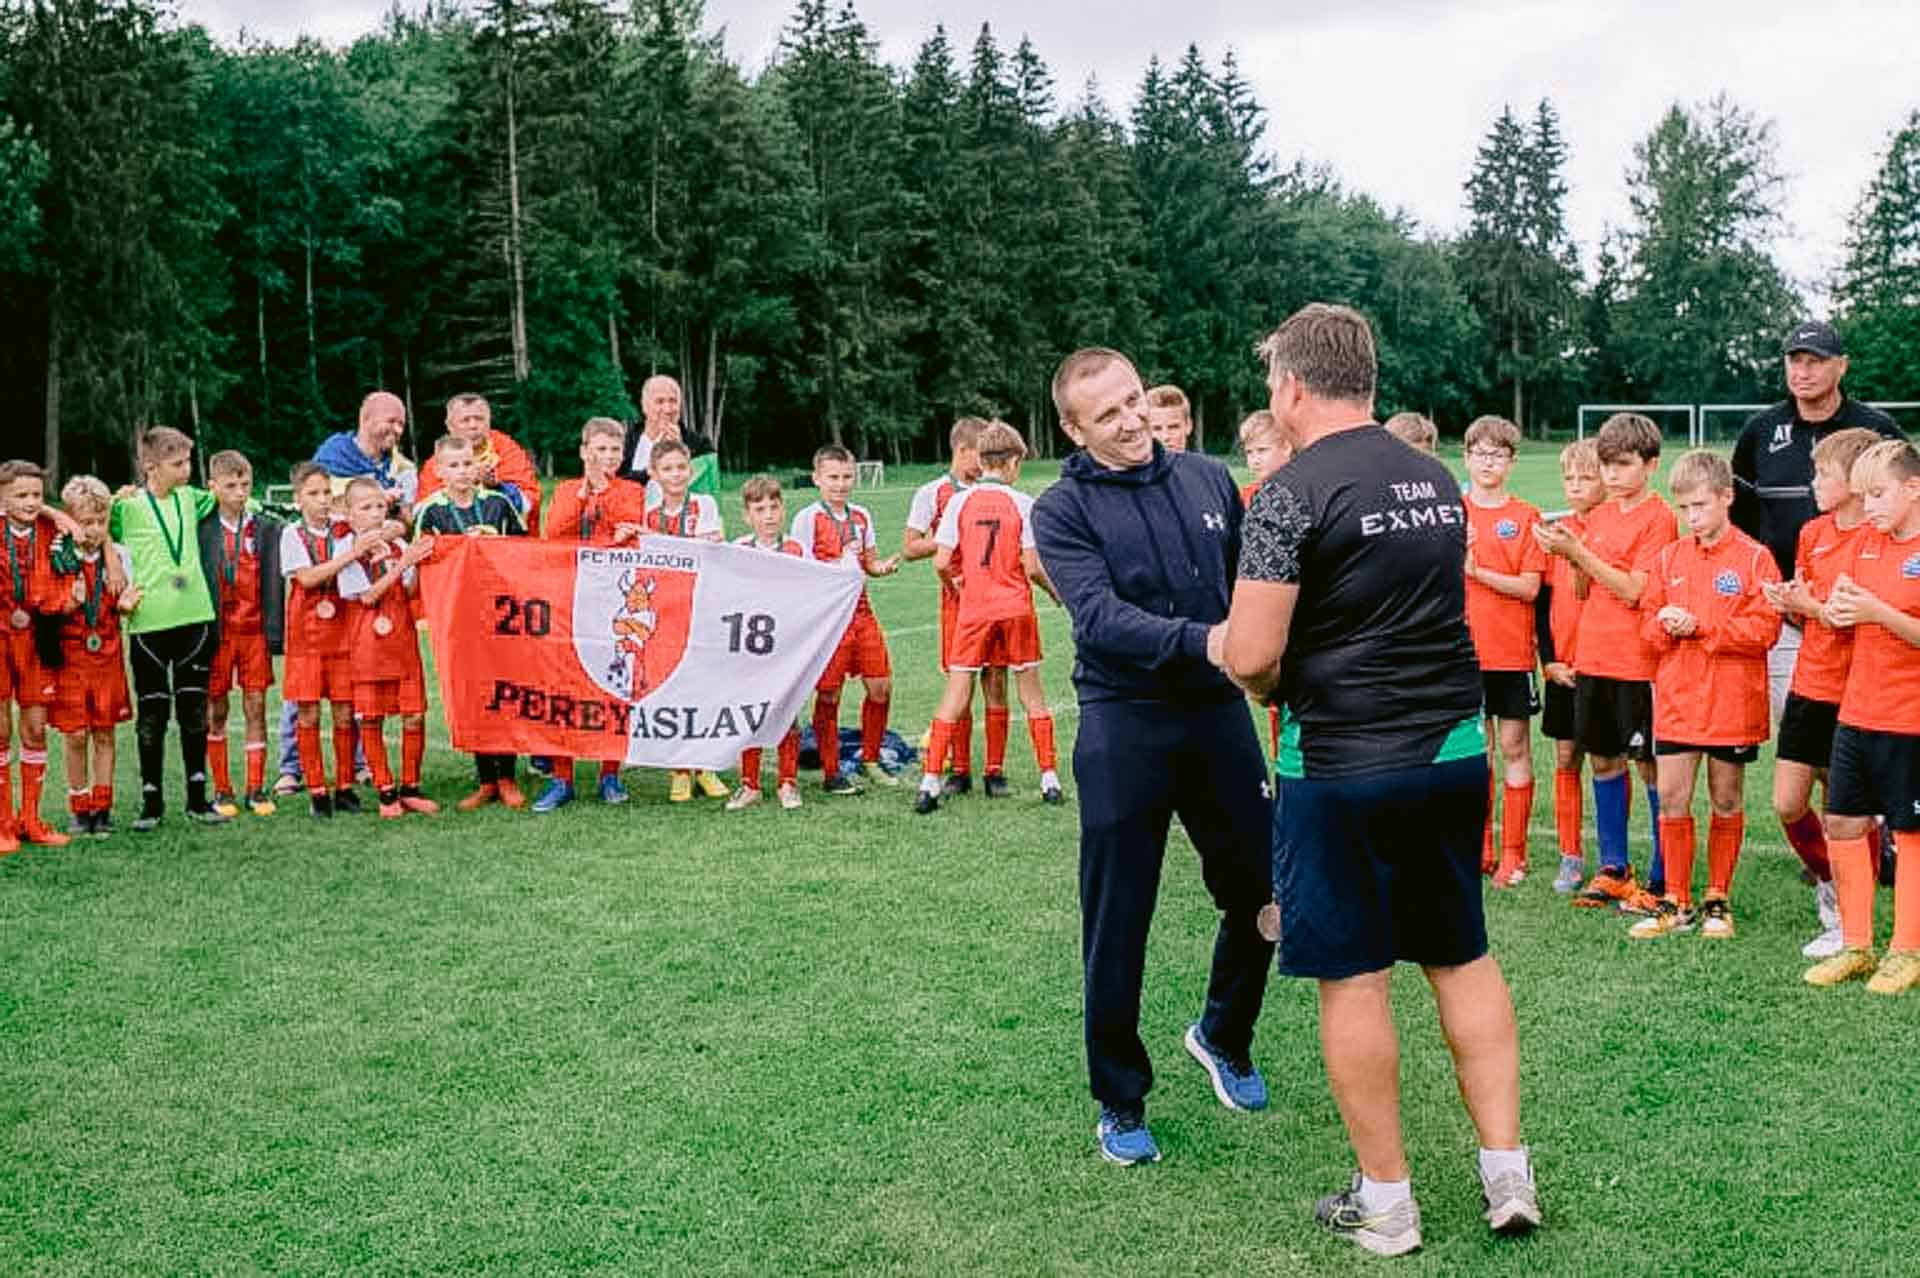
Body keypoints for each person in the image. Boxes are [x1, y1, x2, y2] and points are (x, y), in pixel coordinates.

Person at [1222, 304, 1535, 1256]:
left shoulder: (1286, 492)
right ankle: (1506, 1173)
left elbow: (1250, 654)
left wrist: (1251, 663)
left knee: (1353, 978)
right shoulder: (1435, 478)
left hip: (1340, 769)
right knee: (1460, 955)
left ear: (1292, 387)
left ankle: (1388, 1201)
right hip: (1450, 756)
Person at [1033, 347, 1272, 1169]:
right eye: (1108, 414)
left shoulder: (1208, 479)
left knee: (1267, 897)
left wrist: (1270, 660)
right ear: (1073, 428)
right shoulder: (1060, 510)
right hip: (1123, 721)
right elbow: (1097, 618)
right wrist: (1208, 642)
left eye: (1134, 400)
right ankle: (1120, 1097)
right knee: (1118, 921)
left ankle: (1222, 1035)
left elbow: (1252, 587)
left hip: (1217, 716)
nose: (1131, 421)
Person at [1627, 451, 1781, 939]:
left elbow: (1766, 628)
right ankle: (1676, 899)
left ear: (1726, 497)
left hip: (1731, 702)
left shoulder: (1756, 558)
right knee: (1672, 797)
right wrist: (1663, 627)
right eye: (1684, 508)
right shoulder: (1668, 558)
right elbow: (1645, 626)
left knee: (1726, 797)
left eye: (1700, 505)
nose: (1691, 517)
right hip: (1677, 700)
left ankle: (1717, 896)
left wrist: (1703, 626)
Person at [1536, 413, 1677, 911]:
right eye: (1606, 465)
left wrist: (1579, 553)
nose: (1612, 475)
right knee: (1601, 759)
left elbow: (1635, 590)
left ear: (1651, 465)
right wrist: (1569, 554)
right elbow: (1582, 588)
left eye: (1623, 464)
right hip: (1593, 656)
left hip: (1635, 661)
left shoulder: (1658, 517)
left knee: (1649, 764)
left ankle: (1664, 873)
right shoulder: (1596, 517)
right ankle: (1615, 867)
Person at [1731, 320, 1902, 723]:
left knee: (1854, 738)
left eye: (1815, 361)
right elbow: (1738, 516)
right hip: (1786, 613)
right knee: (1802, 737)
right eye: (1795, 361)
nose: (1802, 372)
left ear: (1841, 366)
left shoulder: (1876, 429)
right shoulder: (1761, 430)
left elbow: (1906, 510)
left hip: (1859, 616)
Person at [1802, 439, 1920, 993]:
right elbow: (1839, 610)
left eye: (1878, 493)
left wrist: (1877, 612)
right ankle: (1857, 944)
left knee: (1910, 832)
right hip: (1858, 710)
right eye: (1863, 493)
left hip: (1910, 718)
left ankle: (1907, 951)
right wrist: (1830, 608)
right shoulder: (1866, 544)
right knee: (1843, 822)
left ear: (1913, 488)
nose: (1867, 505)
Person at [1761, 427, 1884, 958]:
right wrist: (1789, 599)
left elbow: (1863, 620)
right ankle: (1833, 879)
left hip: (1856, 685)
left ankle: (1849, 917)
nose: (1812, 483)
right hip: (1811, 680)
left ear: (1856, 483)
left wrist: (1812, 608)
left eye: (1822, 475)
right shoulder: (1812, 532)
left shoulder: (1879, 538)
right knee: (1788, 803)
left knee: (1846, 807)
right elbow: (1808, 602)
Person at [916, 421, 1063, 813]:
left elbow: (942, 560)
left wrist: (959, 585)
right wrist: (1054, 592)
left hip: (974, 611)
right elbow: (1032, 566)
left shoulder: (959, 503)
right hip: (1015, 607)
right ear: (1013, 462)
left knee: (956, 691)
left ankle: (929, 783)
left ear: (980, 461)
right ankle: (1050, 779)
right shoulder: (1023, 503)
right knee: (1030, 692)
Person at [276, 391, 417, 797]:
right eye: (389, 421)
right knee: (303, 691)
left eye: (401, 424)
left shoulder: (402, 468)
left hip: (354, 596)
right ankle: (292, 767)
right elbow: (330, 510)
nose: (395, 429)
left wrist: (392, 525)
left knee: (349, 687)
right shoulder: (334, 455)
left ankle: (354, 767)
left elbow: (406, 520)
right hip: (326, 581)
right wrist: (364, 523)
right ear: (365, 417)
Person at [111, 427, 228, 831]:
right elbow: (95, 533)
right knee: (153, 713)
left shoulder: (192, 498)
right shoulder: (125, 509)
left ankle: (198, 800)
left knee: (195, 711)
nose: (186, 470)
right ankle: (151, 803)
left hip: (196, 617)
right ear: (150, 467)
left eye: (188, 462)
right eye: (177, 464)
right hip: (149, 622)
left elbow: (228, 493)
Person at [536, 417, 649, 812]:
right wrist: (586, 494)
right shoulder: (567, 490)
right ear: (584, 452)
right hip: (569, 600)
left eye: (615, 450)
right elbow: (555, 532)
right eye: (600, 449)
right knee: (563, 686)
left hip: (611, 603)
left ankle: (610, 774)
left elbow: (628, 527)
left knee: (612, 684)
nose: (608, 457)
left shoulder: (632, 489)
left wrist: (604, 493)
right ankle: (561, 777)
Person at [414, 433, 529, 810]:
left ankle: (508, 776)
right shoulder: (430, 512)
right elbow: (423, 564)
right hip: (460, 618)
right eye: (454, 465)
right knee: (474, 694)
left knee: (505, 692)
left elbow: (528, 554)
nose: (462, 472)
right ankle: (486, 780)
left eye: (467, 464)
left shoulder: (498, 505)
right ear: (439, 470)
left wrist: (492, 544)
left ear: (478, 465)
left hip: (501, 615)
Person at [1461, 416, 1545, 886]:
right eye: (1480, 453)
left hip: (1511, 654)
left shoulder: (1527, 517)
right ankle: (1481, 845)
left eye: (1498, 454)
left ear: (1511, 462)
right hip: (1462, 656)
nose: (1488, 462)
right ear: (1467, 457)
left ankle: (1515, 852)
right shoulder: (1453, 513)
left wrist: (1476, 571)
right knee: (1477, 750)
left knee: (1514, 746)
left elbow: (1530, 588)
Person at [791, 445, 902, 795]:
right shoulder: (808, 518)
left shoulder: (861, 515)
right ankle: (831, 769)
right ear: (817, 479)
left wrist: (881, 567)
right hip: (829, 618)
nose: (840, 484)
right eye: (833, 477)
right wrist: (838, 560)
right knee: (828, 694)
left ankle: (871, 758)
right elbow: (801, 570)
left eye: (846, 477)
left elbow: (868, 562)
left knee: (880, 686)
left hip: (861, 611)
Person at [902, 418, 999, 796]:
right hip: (956, 600)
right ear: (963, 450)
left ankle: (995, 769)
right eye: (982, 453)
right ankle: (960, 769)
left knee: (995, 678)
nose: (986, 462)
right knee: (961, 683)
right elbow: (910, 547)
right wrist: (949, 539)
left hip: (993, 598)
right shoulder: (933, 492)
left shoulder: (993, 490)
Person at [337, 478, 438, 820]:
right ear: (349, 514)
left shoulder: (397, 543)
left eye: (380, 506)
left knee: (414, 714)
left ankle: (411, 786)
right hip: (367, 643)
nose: (376, 513)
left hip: (402, 640)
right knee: (372, 717)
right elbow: (366, 596)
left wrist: (421, 565)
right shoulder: (347, 548)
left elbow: (409, 592)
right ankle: (385, 789)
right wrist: (403, 563)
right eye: (366, 507)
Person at [642, 437, 730, 803]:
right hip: (665, 612)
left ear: (691, 471)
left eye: (681, 467)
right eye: (667, 469)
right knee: (673, 687)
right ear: (654, 474)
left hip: (703, 607)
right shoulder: (648, 514)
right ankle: (679, 770)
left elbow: (710, 547)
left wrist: (663, 541)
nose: (676, 475)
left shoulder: (704, 505)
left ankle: (706, 767)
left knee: (705, 687)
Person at [47, 475, 134, 838]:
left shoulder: (119, 558)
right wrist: (71, 602)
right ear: (70, 519)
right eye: (87, 522)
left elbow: (123, 601)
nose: (94, 529)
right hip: (71, 656)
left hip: (107, 654)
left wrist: (127, 604)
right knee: (75, 735)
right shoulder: (58, 554)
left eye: (101, 522)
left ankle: (103, 805)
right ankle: (78, 806)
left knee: (104, 732)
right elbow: (49, 606)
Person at [200, 450, 284, 819]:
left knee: (256, 706)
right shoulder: (201, 527)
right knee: (215, 708)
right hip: (218, 633)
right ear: (212, 487)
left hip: (254, 633)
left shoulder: (265, 527)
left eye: (245, 485)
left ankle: (255, 786)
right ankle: (221, 789)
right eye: (230, 485)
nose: (238, 492)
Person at [1538, 440, 1605, 894]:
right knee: (1567, 757)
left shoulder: (1611, 531)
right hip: (1564, 668)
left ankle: (1615, 859)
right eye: (1570, 479)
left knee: (1611, 760)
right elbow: (1542, 605)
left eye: (1587, 477)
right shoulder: (1554, 531)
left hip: (1605, 666)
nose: (1577, 487)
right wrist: (1548, 661)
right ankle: (1570, 854)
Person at [281, 460, 364, 820]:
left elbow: (385, 525)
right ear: (298, 499)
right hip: (307, 635)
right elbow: (308, 578)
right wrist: (350, 555)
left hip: (343, 632)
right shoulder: (291, 535)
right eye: (313, 494)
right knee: (309, 711)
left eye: (327, 492)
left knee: (345, 711)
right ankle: (316, 789)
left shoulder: (344, 530)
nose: (322, 500)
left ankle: (345, 786)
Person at [726, 476, 806, 812]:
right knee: (749, 714)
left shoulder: (796, 549)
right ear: (747, 515)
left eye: (774, 507)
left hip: (786, 649)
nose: (769, 515)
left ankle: (788, 781)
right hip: (750, 650)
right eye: (760, 509)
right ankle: (750, 784)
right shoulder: (738, 548)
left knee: (788, 714)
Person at [1239, 411, 1293, 756]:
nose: (1255, 459)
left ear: (1287, 447)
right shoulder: (1245, 496)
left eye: (1263, 450)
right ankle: (1281, 763)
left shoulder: (1301, 490)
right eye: (1250, 452)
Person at [415, 393, 542, 533]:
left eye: (479, 419)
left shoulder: (507, 449)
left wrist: (496, 486)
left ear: (489, 421)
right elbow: (422, 513)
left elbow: (529, 502)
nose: (473, 425)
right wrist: (466, 482)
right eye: (465, 420)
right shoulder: (437, 461)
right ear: (449, 425)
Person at [619, 374, 687, 484]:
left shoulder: (700, 445)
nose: (667, 409)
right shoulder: (623, 444)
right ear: (644, 406)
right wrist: (648, 473)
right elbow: (616, 484)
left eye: (673, 401)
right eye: (660, 401)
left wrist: (680, 450)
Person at [1145, 384, 1193, 452]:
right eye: (1157, 429)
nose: (1165, 437)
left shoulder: (1205, 462)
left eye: (1173, 427)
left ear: (1189, 426)